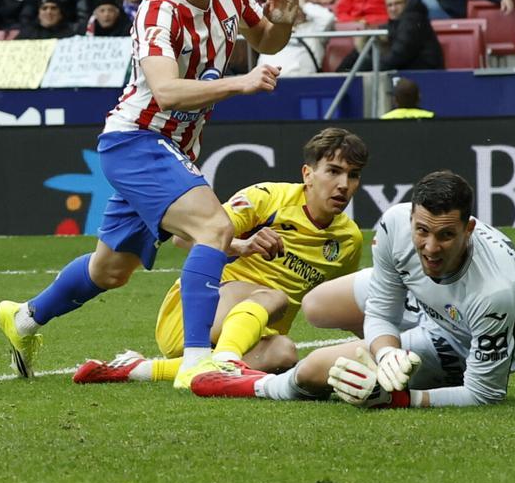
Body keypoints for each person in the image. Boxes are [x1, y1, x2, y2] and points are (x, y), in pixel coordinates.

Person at [0, 0, 305, 390]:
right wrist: (241, 83)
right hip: (137, 140)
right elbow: (167, 91)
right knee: (214, 226)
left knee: (110, 270)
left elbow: (265, 39)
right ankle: (198, 360)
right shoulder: (157, 12)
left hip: (171, 147)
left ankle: (24, 318)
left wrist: (283, 21)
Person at [190, 170, 515, 410]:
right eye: (422, 231)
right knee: (317, 304)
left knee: (313, 369)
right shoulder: (395, 225)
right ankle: (394, 360)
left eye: (446, 235)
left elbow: (485, 394)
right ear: (411, 218)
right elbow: (381, 310)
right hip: (424, 301)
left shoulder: (494, 294)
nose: (431, 247)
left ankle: (255, 385)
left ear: (469, 229)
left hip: (456, 338)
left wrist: (397, 399)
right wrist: (386, 355)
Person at [73, 130, 369, 385]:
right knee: (274, 296)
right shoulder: (267, 199)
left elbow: (338, 303)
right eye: (333, 171)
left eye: (353, 175)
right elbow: (183, 238)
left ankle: (139, 369)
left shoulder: (349, 239)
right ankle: (226, 360)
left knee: (285, 354)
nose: (343, 184)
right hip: (196, 319)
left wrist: (379, 347)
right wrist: (242, 245)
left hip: (254, 335)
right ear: (308, 174)